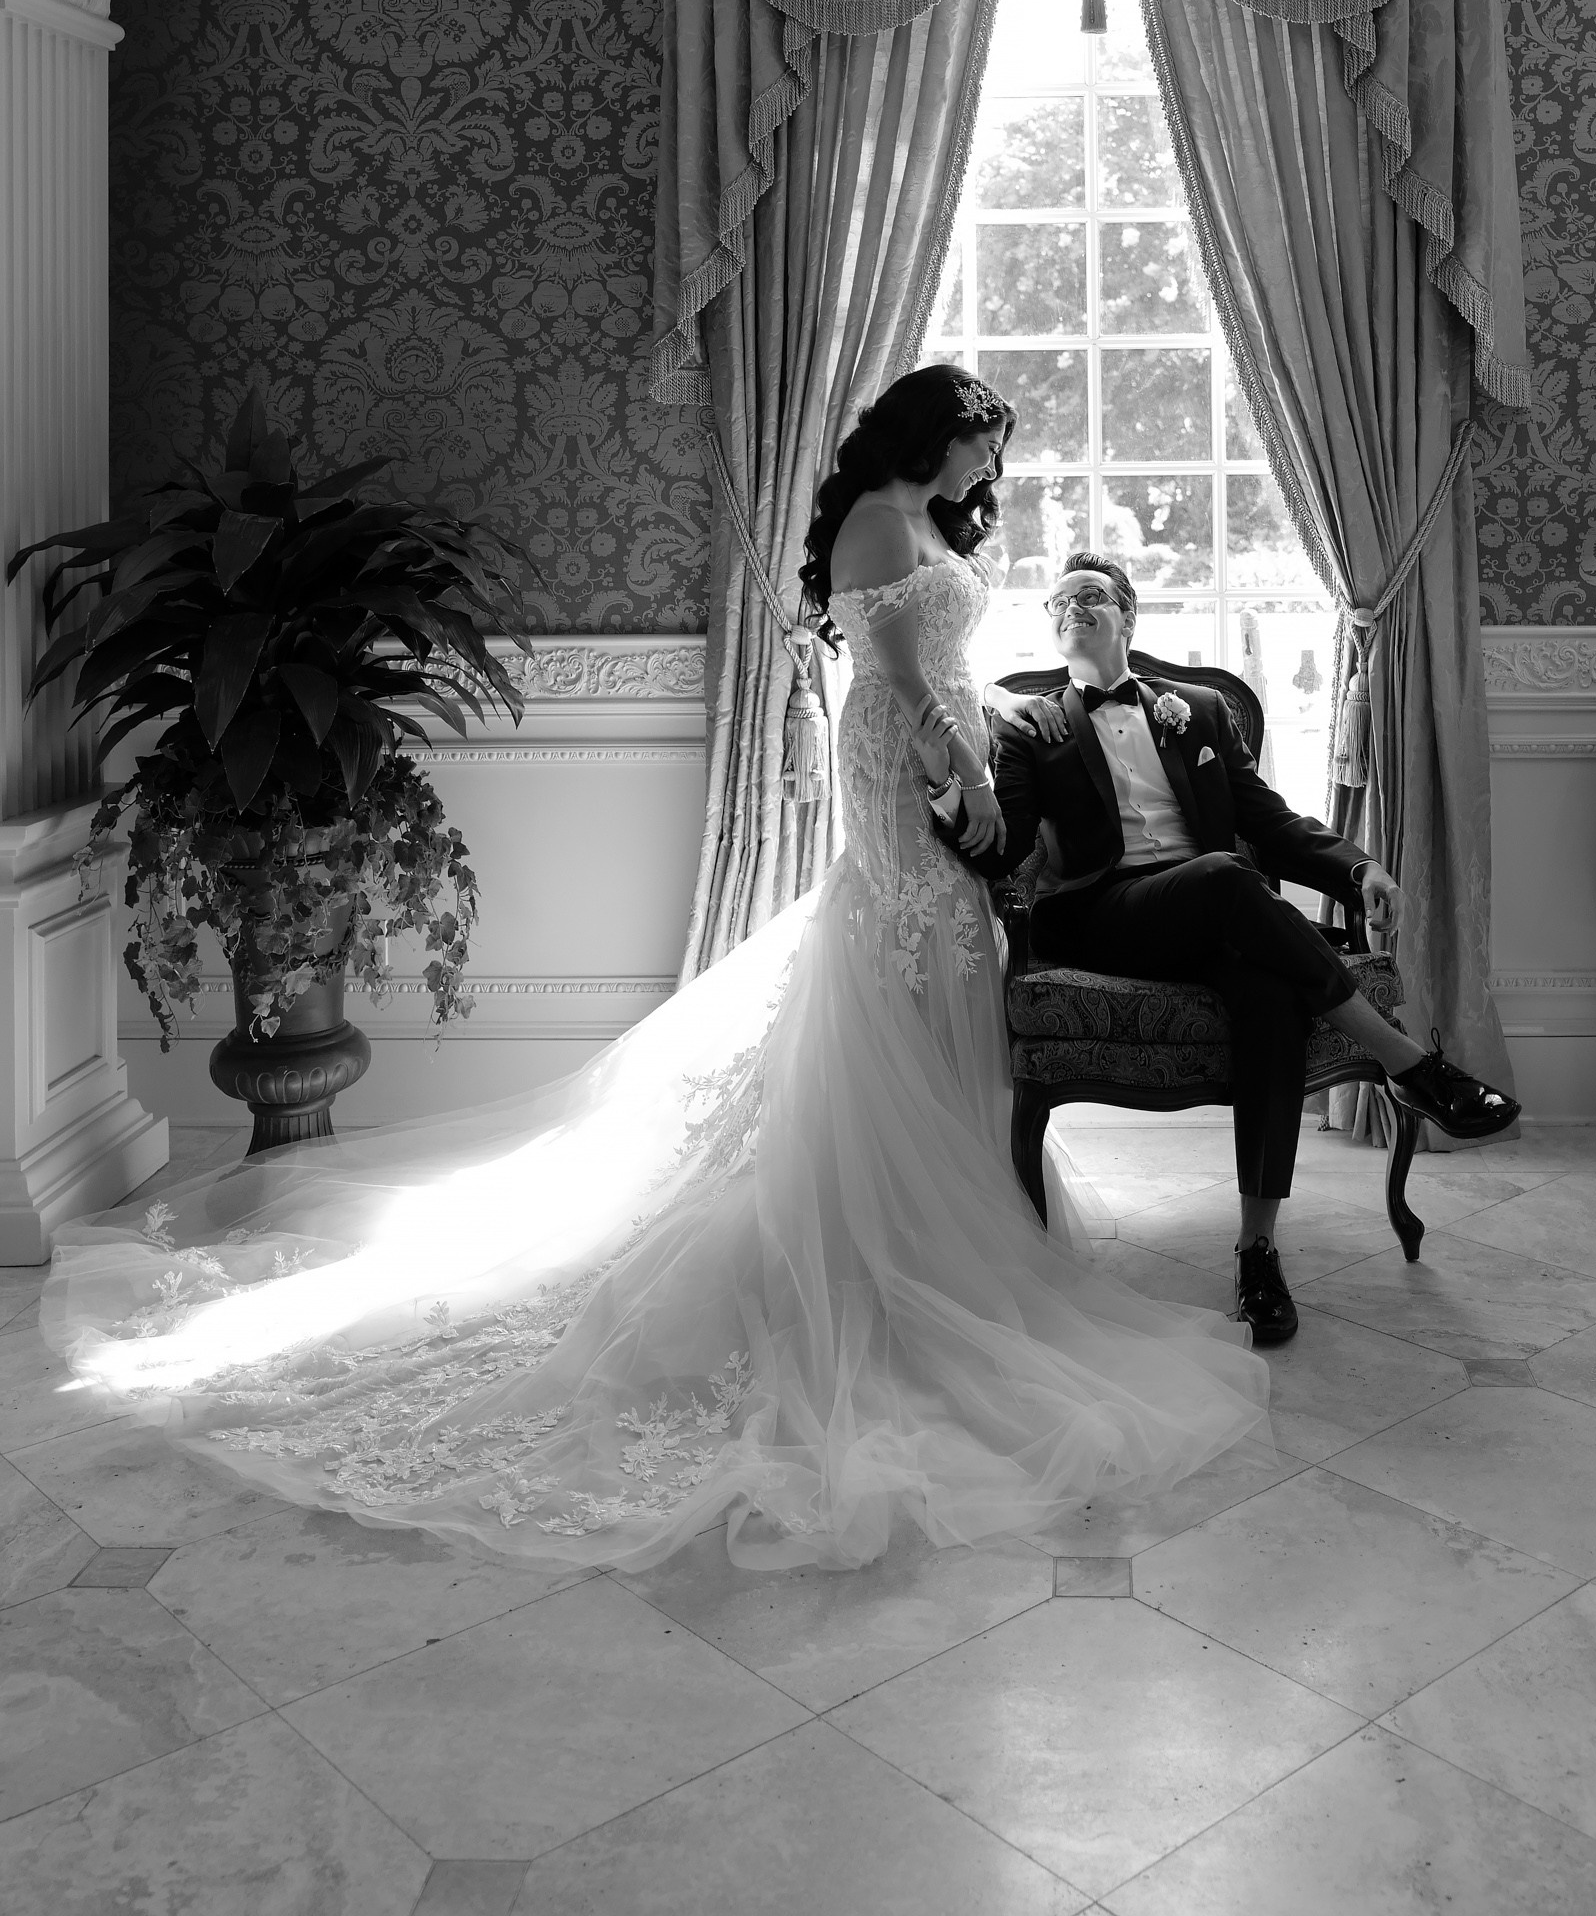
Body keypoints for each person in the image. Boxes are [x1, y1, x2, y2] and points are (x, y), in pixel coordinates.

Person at [38, 370, 1270, 1572]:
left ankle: (952, 1193)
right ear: (932, 435)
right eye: (978, 444)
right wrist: (964, 764)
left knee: (938, 939)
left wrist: (980, 743)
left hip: (925, 749)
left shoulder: (910, 517)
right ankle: (892, 1236)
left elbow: (923, 655)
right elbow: (892, 672)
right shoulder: (882, 519)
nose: (987, 470)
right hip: (905, 758)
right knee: (913, 930)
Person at [929, 548, 1519, 1347]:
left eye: (1093, 596)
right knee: (1225, 876)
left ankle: (1258, 1253)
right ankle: (1408, 1063)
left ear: (1128, 618)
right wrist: (951, 785)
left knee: (1269, 994)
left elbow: (1270, 823)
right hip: (1107, 916)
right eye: (1060, 601)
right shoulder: (1032, 724)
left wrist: (1360, 866)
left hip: (1218, 909)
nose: (1074, 607)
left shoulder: (1200, 709)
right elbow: (1006, 854)